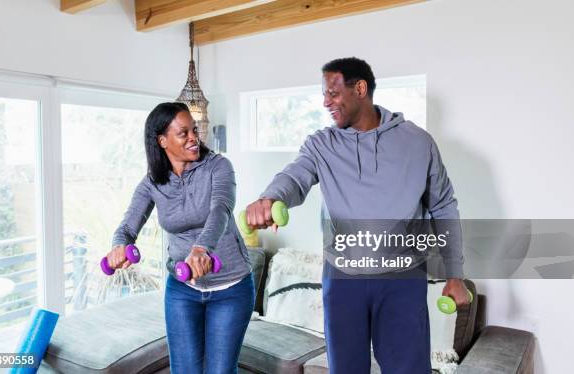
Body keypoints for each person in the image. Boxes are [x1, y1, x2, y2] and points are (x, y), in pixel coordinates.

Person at [245, 57, 470, 373]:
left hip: (402, 280)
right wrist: (268, 198)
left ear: (360, 88)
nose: (326, 102)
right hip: (342, 280)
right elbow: (294, 177)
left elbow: (444, 206)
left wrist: (454, 274)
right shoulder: (321, 144)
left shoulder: (418, 142)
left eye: (333, 93)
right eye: (324, 94)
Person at [106, 102, 254, 374]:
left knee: (220, 371)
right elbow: (127, 227)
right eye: (183, 133)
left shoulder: (218, 167)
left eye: (194, 130)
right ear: (162, 141)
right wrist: (119, 246)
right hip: (183, 290)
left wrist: (202, 248)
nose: (194, 138)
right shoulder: (153, 182)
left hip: (231, 287)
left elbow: (221, 209)